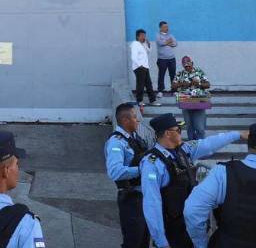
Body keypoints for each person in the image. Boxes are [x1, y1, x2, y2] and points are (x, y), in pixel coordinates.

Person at [140, 113, 246, 248]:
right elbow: (151, 204)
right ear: (168, 133)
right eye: (178, 130)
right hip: (173, 230)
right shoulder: (152, 163)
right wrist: (161, 241)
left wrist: (238, 135)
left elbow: (209, 143)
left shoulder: (183, 150)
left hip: (191, 225)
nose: (181, 133)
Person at [105, 102, 149, 248]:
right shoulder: (116, 143)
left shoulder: (134, 137)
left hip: (142, 196)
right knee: (133, 241)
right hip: (131, 198)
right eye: (135, 117)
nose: (138, 120)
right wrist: (143, 170)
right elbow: (115, 172)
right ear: (125, 120)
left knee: (143, 240)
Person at [173, 56, 210, 140]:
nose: (187, 67)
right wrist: (182, 84)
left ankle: (200, 143)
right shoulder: (180, 74)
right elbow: (173, 86)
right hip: (185, 102)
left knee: (200, 128)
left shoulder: (199, 72)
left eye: (188, 65)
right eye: (185, 65)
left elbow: (208, 84)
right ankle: (191, 144)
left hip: (199, 101)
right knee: (189, 127)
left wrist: (199, 84)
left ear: (192, 63)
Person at [131, 29, 157, 105]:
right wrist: (140, 65)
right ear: (137, 36)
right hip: (139, 67)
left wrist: (148, 44)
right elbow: (133, 57)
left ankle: (152, 100)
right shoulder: (135, 44)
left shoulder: (143, 44)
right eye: (142, 36)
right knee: (140, 84)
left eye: (145, 36)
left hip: (145, 67)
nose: (144, 37)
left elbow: (148, 51)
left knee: (149, 84)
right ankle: (139, 101)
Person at [155, 22, 178, 95]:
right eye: (165, 27)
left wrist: (167, 43)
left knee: (173, 75)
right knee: (161, 75)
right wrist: (168, 42)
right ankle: (160, 91)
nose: (167, 28)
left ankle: (174, 90)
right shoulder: (158, 35)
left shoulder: (171, 35)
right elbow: (160, 43)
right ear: (160, 28)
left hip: (172, 58)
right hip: (162, 59)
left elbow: (175, 43)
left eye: (167, 27)